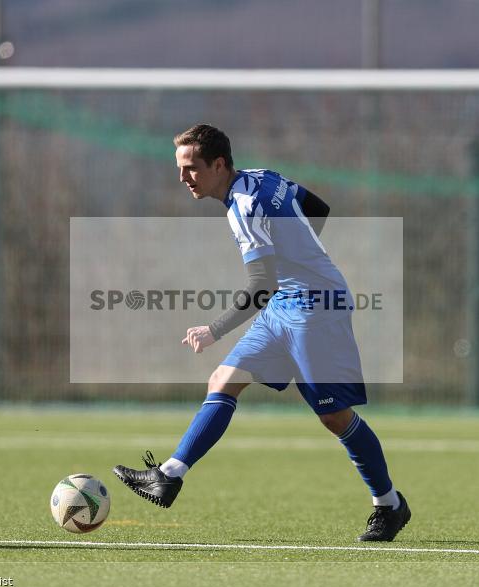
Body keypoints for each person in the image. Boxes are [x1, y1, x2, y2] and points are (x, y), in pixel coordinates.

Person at [113, 124, 410, 542]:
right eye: (180, 168)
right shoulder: (264, 177)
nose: (183, 178)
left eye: (191, 168)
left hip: (314, 308)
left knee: (333, 416)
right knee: (224, 379)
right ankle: (169, 475)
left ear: (218, 165)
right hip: (285, 304)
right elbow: (318, 208)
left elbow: (261, 285)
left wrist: (214, 329)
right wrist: (297, 253)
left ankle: (389, 504)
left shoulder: (244, 206)